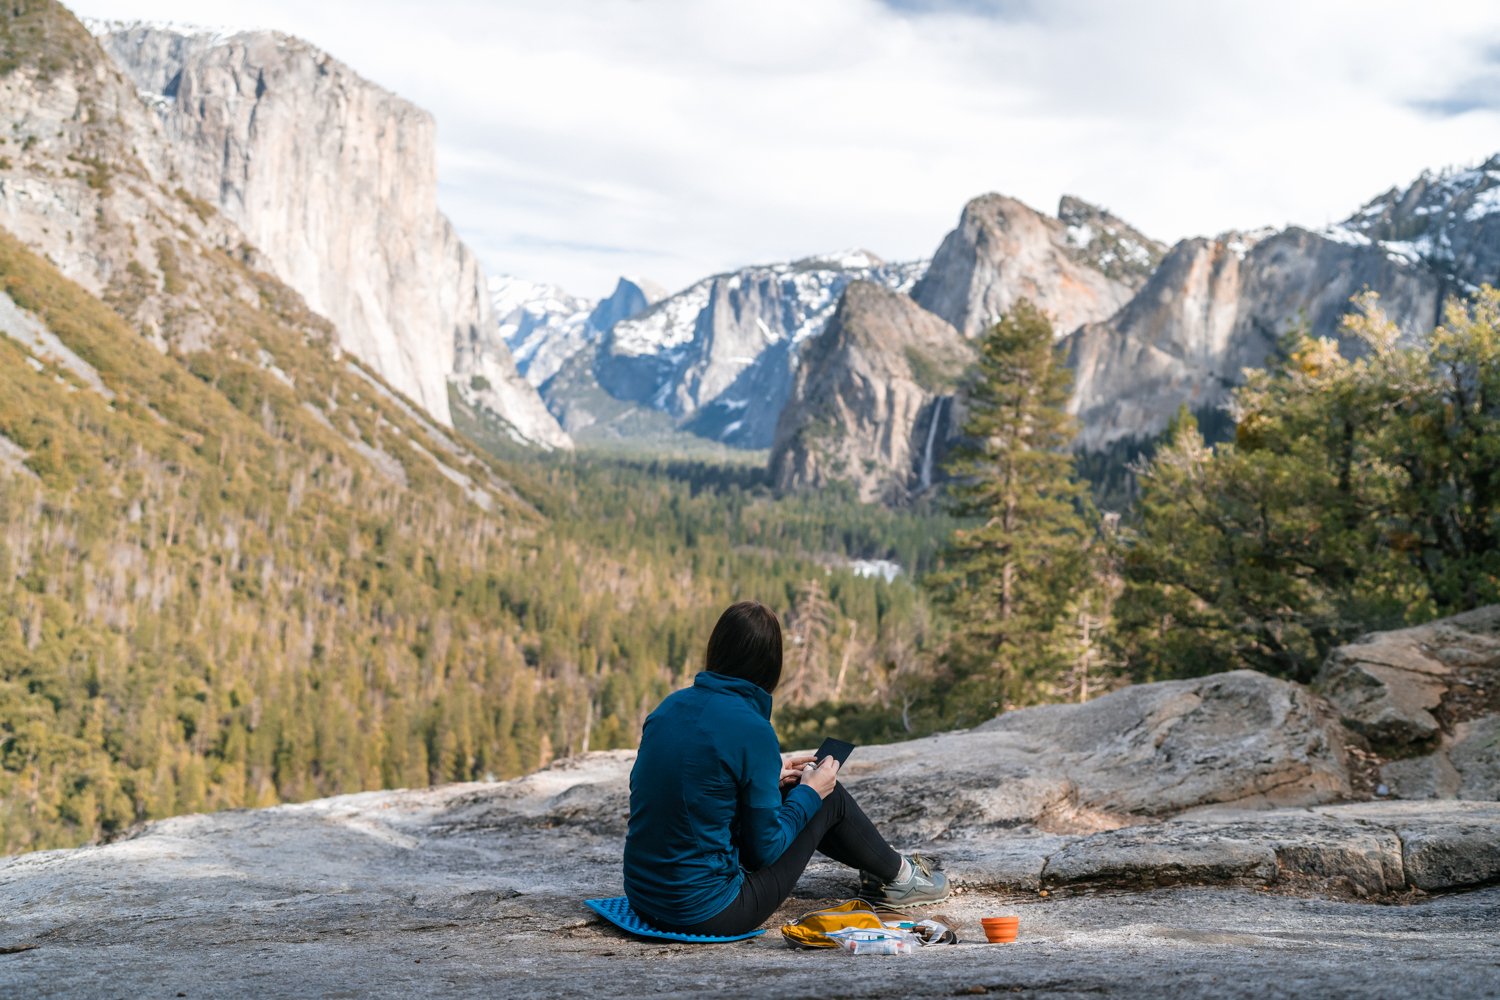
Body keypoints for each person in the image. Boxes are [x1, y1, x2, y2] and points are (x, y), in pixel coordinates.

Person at [623, 600, 948, 936]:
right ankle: (900, 877)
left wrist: (766, 776)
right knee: (824, 795)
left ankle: (883, 868)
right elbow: (763, 851)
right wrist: (810, 792)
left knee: (792, 788)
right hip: (706, 912)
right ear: (770, 664)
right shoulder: (752, 728)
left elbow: (688, 785)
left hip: (643, 897)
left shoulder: (669, 707)